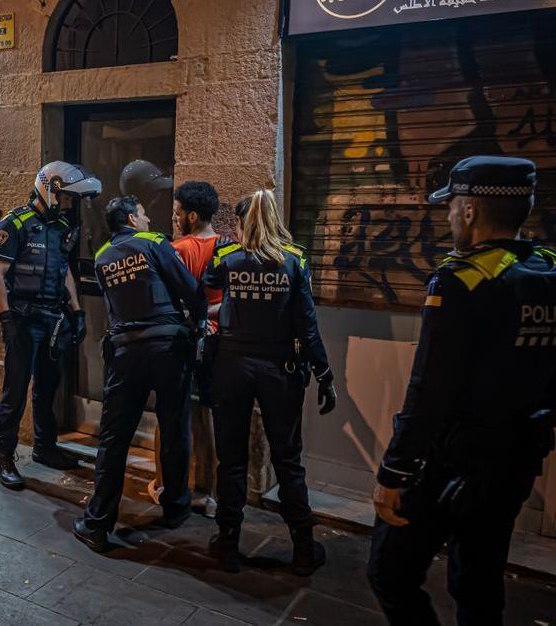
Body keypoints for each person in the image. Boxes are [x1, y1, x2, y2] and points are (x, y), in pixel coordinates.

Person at [366, 156, 556, 626]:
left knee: (390, 571)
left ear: (469, 211)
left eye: (451, 205)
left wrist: (393, 472)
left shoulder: (461, 280)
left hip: (452, 463)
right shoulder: (548, 270)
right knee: (480, 582)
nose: (448, 215)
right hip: (516, 459)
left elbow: (430, 388)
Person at [203, 189, 337, 575]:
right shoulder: (294, 260)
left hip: (231, 365)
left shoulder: (227, 257)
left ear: (245, 221)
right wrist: (324, 375)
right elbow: (307, 326)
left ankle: (228, 545)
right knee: (288, 460)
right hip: (280, 368)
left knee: (231, 457)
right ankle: (304, 548)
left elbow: (207, 289)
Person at [73, 195, 205, 552]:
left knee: (114, 438)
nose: (148, 220)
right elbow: (188, 289)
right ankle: (176, 507)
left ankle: (98, 522)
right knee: (174, 425)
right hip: (166, 346)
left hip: (125, 350)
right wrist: (199, 320)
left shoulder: (102, 257)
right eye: (144, 214)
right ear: (132, 219)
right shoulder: (153, 242)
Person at [0, 161, 101, 490]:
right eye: (66, 197)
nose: (69, 203)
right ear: (50, 189)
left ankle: (45, 447)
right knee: (15, 392)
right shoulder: (16, 224)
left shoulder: (62, 225)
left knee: (47, 388)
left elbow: (65, 270)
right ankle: (5, 456)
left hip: (55, 320)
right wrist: (6, 318)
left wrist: (77, 311)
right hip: (24, 320)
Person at [153, 180, 228, 519]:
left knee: (167, 416)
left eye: (179, 211)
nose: (175, 216)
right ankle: (209, 493)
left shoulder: (177, 249)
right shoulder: (228, 248)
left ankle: (163, 485)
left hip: (184, 339)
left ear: (193, 215)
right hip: (217, 341)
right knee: (206, 416)